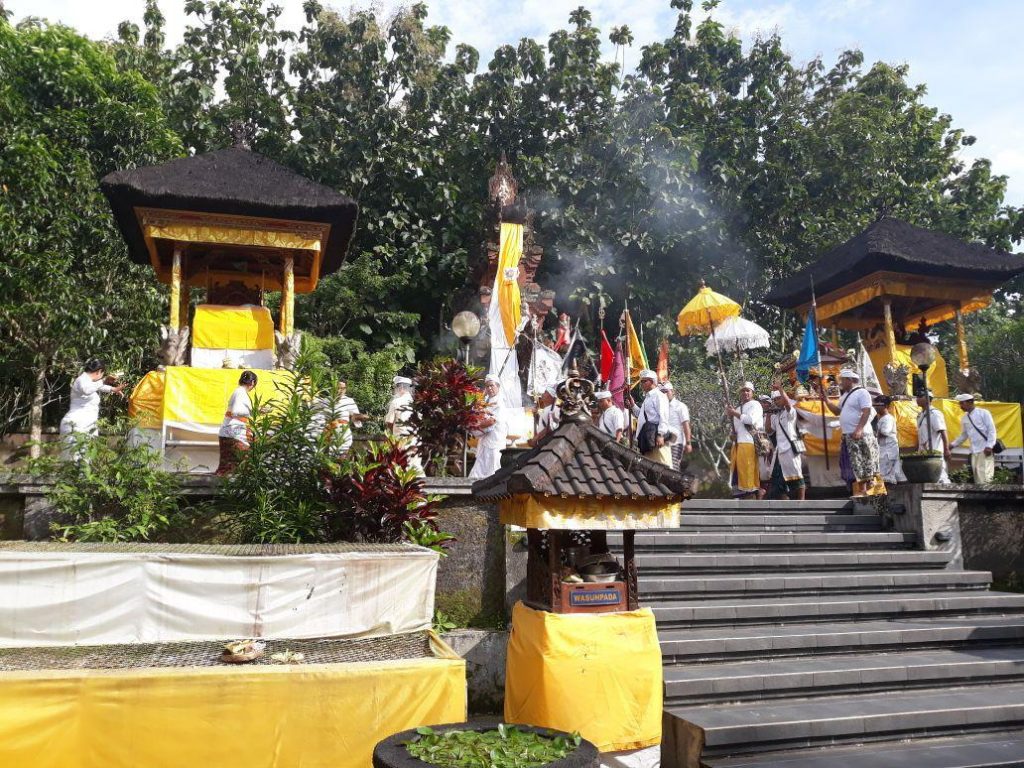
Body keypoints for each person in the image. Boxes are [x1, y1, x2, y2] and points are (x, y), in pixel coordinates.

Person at [824, 369, 885, 499]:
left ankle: (868, 490)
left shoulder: (862, 393)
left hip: (861, 434)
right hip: (848, 435)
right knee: (855, 463)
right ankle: (861, 490)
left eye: (843, 380)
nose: (841, 383)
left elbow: (866, 411)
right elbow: (836, 412)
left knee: (865, 461)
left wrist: (859, 429)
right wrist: (826, 400)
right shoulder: (844, 396)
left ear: (850, 380)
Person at [59, 359, 125, 458]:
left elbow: (97, 387)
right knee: (75, 462)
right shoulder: (81, 380)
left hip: (86, 426)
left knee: (85, 462)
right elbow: (87, 390)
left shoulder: (89, 381)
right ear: (99, 371)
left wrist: (113, 389)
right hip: (75, 426)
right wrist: (103, 380)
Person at [725, 382, 764, 499]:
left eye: (748, 390)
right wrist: (732, 434)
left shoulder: (755, 404)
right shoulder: (737, 408)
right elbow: (737, 429)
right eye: (743, 391)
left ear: (752, 393)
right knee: (737, 472)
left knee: (747, 470)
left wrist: (734, 413)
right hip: (737, 444)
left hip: (749, 442)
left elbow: (750, 420)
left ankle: (752, 494)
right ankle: (741, 495)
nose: (745, 393)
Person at [216, 370, 258, 475]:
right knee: (245, 463)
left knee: (226, 468)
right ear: (252, 383)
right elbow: (236, 411)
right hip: (234, 433)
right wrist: (254, 410)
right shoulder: (241, 393)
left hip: (229, 432)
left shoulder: (238, 392)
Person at [627, 369, 671, 466]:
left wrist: (660, 435)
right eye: (641, 381)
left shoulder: (659, 396)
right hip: (647, 438)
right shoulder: (648, 397)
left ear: (652, 382)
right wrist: (633, 405)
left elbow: (664, 417)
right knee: (649, 467)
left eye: (644, 381)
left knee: (662, 466)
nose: (641, 384)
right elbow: (641, 416)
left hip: (656, 437)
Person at [951, 393, 998, 484]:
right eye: (960, 403)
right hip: (974, 450)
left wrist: (989, 446)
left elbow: (992, 430)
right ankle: (981, 497)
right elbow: (964, 435)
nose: (960, 406)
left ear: (970, 402)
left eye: (962, 403)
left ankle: (988, 496)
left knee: (985, 476)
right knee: (977, 475)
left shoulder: (984, 413)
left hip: (985, 449)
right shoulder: (965, 418)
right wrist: (952, 445)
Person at [470, 374, 507, 479]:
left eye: (492, 385)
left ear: (498, 386)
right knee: (478, 473)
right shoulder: (487, 400)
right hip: (485, 442)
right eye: (487, 386)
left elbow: (491, 421)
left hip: (494, 444)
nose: (489, 388)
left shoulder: (500, 402)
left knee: (493, 473)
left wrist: (476, 426)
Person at [315, 380, 366, 455]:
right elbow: (316, 414)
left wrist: (362, 416)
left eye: (342, 388)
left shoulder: (349, 401)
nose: (339, 390)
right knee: (326, 458)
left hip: (343, 432)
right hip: (327, 431)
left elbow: (355, 417)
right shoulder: (325, 401)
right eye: (338, 388)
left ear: (345, 389)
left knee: (342, 457)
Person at [772, 387, 806, 500]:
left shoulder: (790, 411)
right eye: (775, 399)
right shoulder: (777, 416)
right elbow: (768, 430)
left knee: (797, 474)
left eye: (779, 399)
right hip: (780, 450)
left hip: (791, 448)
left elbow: (787, 403)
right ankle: (785, 502)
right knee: (781, 479)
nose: (777, 401)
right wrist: (768, 413)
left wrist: (781, 389)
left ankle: (802, 502)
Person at [386, 375, 423, 473]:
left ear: (400, 387)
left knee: (399, 469)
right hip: (415, 441)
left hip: (400, 441)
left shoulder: (396, 402)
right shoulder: (416, 403)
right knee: (415, 468)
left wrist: (392, 434)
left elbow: (389, 422)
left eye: (396, 387)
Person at [916, 390, 951, 484]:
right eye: (917, 397)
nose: (917, 399)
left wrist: (946, 449)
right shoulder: (920, 415)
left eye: (920, 397)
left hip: (935, 447)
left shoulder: (934, 414)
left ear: (927, 399)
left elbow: (943, 431)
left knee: (939, 473)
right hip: (924, 449)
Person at [873, 395, 906, 484]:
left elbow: (885, 432)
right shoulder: (882, 418)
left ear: (886, 406)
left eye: (879, 405)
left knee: (887, 474)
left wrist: (875, 433)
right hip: (885, 449)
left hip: (888, 450)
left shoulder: (887, 419)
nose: (876, 407)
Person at [660, 382, 692, 470]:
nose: (664, 394)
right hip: (662, 442)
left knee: (673, 468)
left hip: (676, 443)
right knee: (662, 467)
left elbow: (686, 425)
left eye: (666, 391)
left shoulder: (680, 406)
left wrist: (688, 443)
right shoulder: (660, 406)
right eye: (662, 392)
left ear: (672, 391)